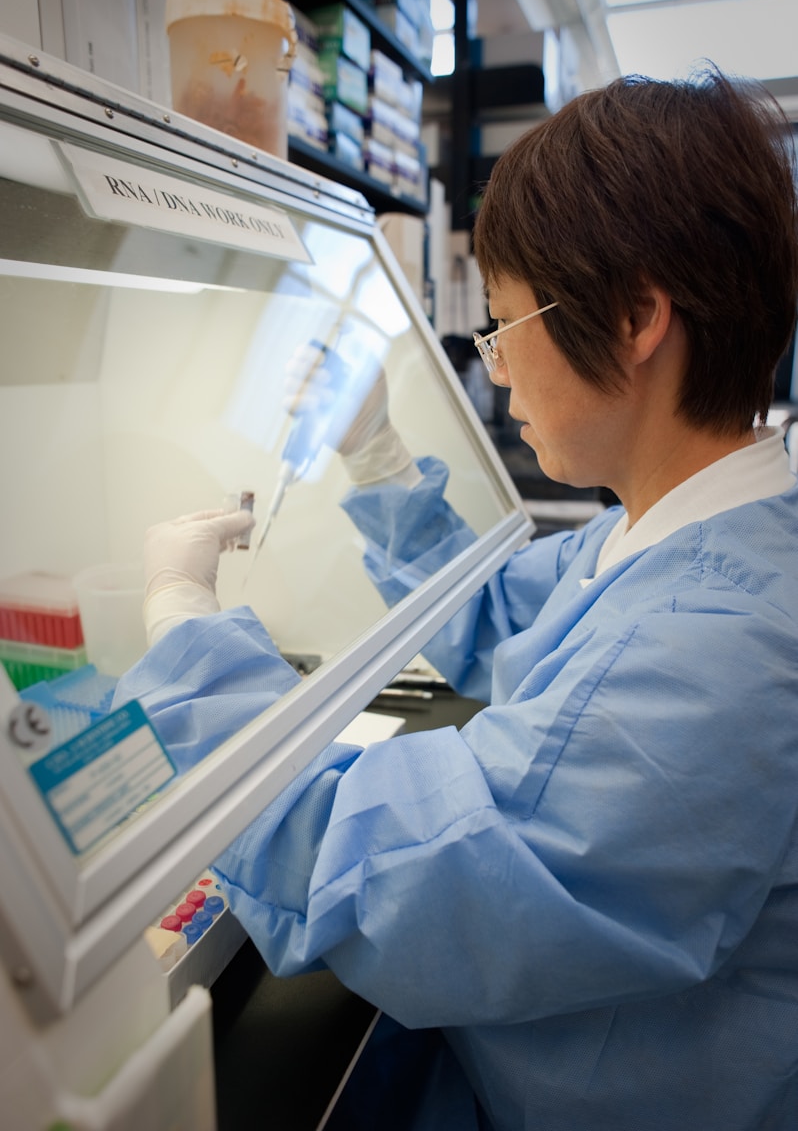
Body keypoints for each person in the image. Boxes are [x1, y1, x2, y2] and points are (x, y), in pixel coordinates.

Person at [116, 66, 798, 1129]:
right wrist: (376, 448)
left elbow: (394, 883)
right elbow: (500, 620)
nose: (496, 371)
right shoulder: (683, 527)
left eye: (504, 323)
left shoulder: (722, 646)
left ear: (635, 318)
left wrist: (182, 633)